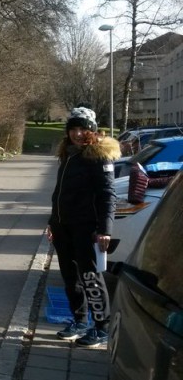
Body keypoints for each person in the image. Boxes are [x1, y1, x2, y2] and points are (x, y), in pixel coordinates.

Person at [47, 107, 121, 348]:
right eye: (73, 129)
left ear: (92, 130)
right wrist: (53, 222)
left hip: (86, 228)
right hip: (63, 228)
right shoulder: (68, 154)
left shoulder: (98, 156)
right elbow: (60, 194)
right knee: (70, 278)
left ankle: (102, 328)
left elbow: (108, 195)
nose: (77, 134)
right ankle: (79, 321)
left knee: (90, 278)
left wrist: (105, 230)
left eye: (83, 129)